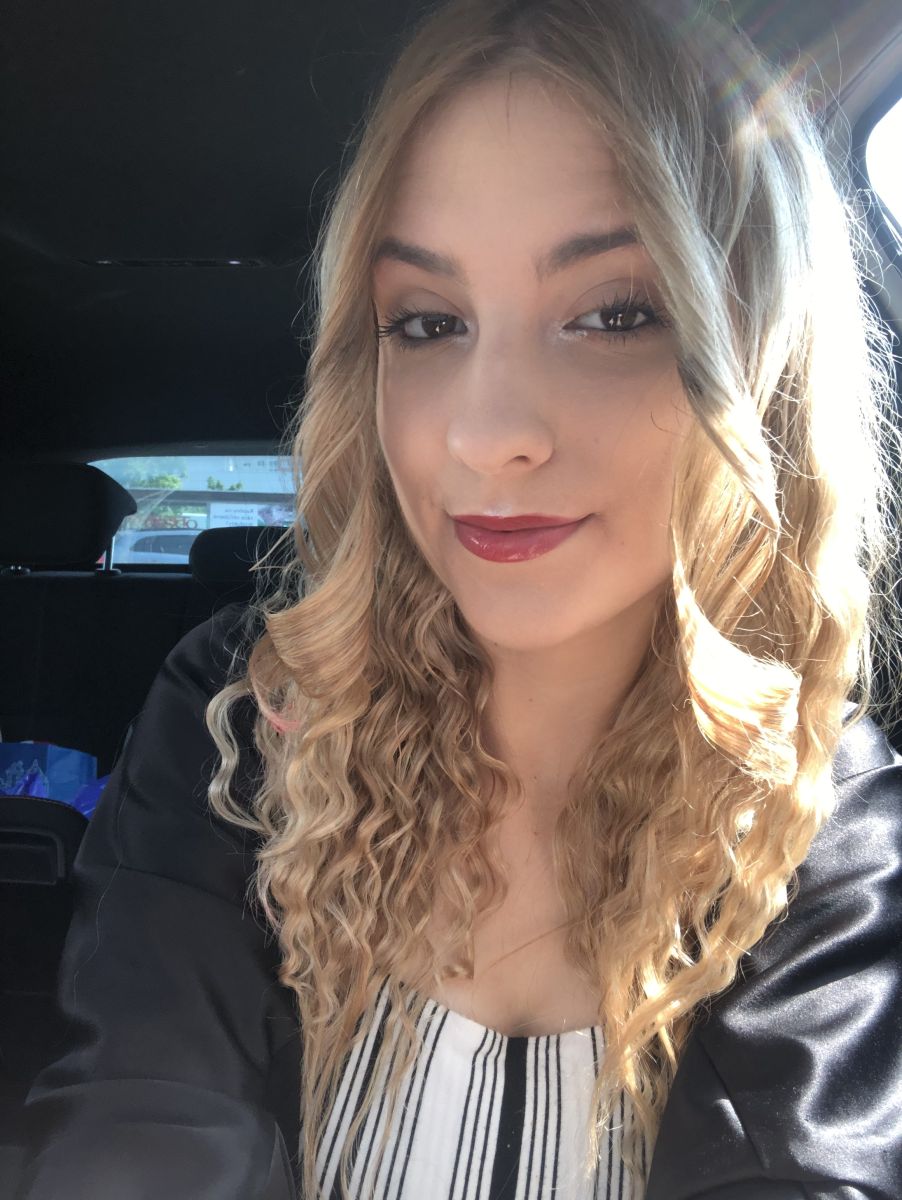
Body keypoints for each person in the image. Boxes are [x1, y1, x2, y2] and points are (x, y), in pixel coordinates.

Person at [11, 0, 902, 1197]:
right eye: (427, 324)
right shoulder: (247, 721)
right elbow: (141, 1117)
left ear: (760, 362)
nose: (483, 436)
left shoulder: (818, 814)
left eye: (614, 314)